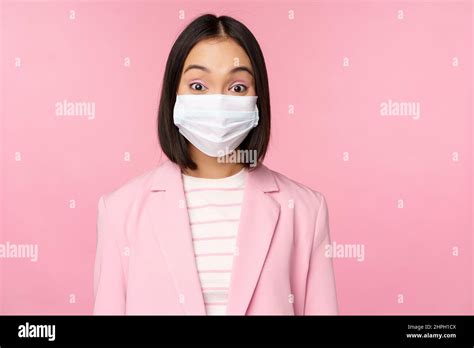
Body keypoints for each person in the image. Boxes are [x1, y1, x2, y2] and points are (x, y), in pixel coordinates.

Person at [93, 13, 338, 315]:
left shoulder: (305, 211)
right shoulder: (120, 210)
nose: (218, 101)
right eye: (198, 86)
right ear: (174, 97)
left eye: (237, 88)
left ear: (257, 101)